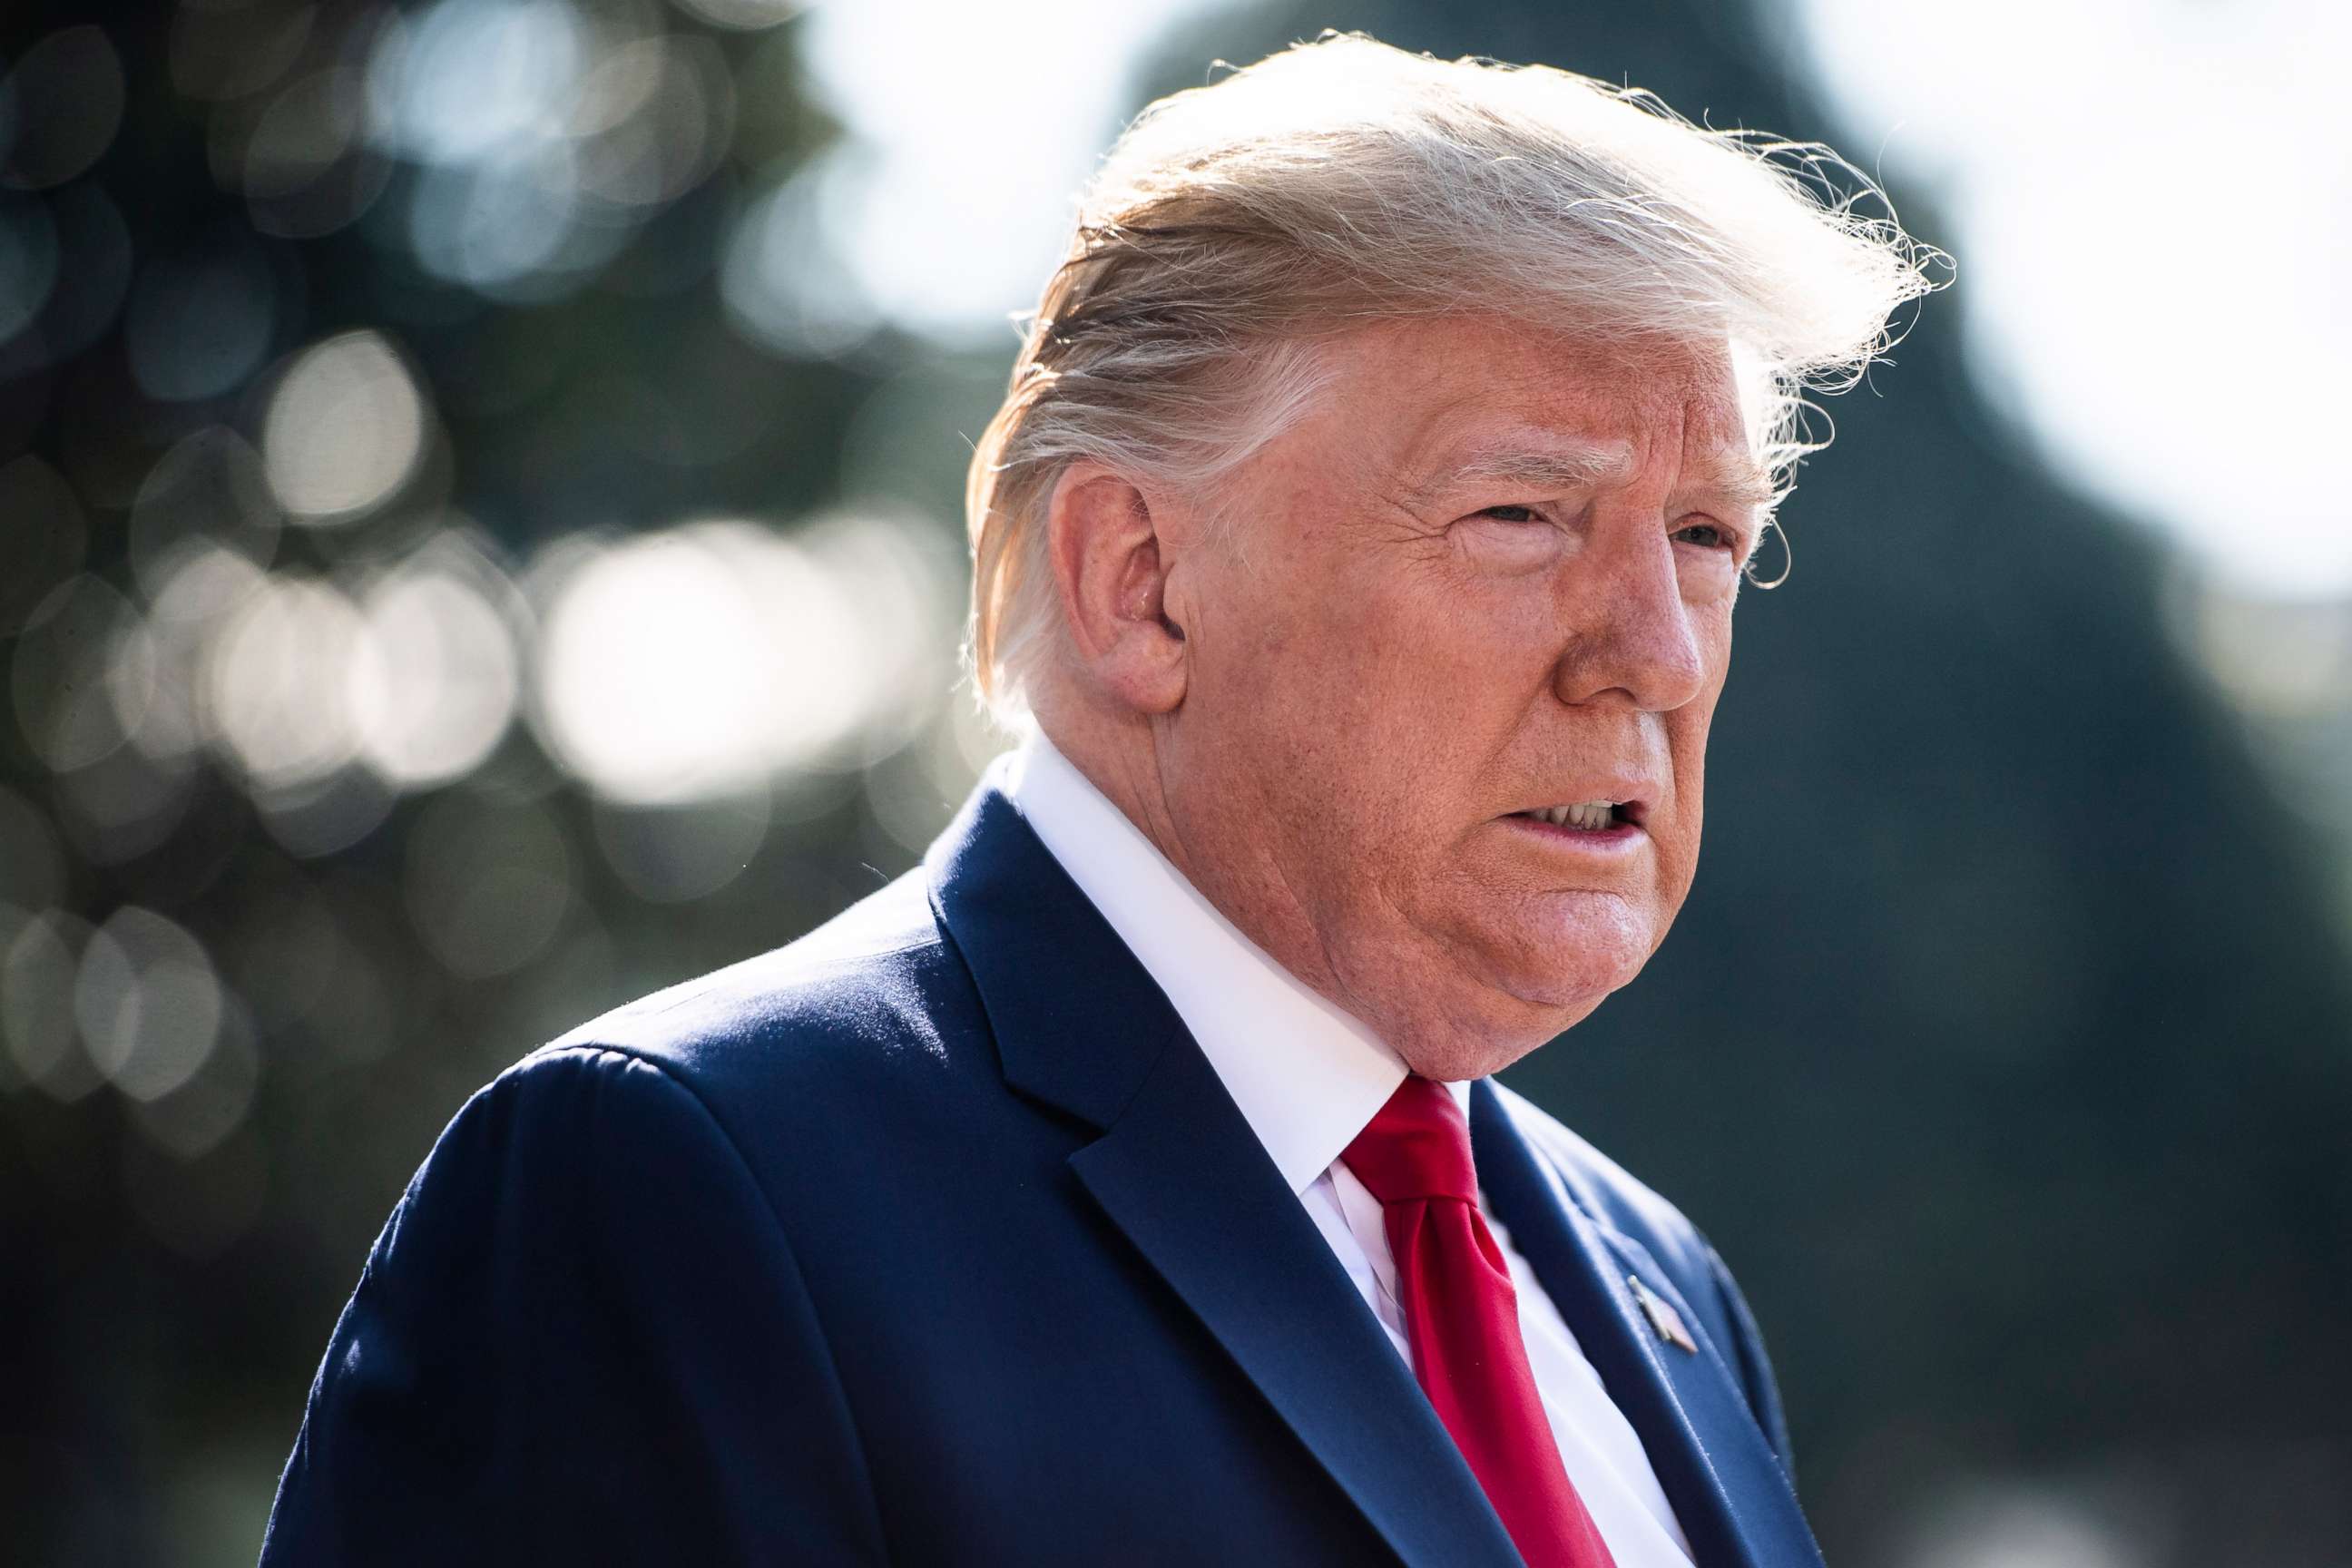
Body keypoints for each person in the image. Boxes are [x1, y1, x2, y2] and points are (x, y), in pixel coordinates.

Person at [259, 33, 1934, 1568]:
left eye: (1707, 537)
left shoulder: (1662, 1291)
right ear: (1140, 581)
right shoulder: (673, 1194)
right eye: (1521, 514)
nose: (1653, 653)